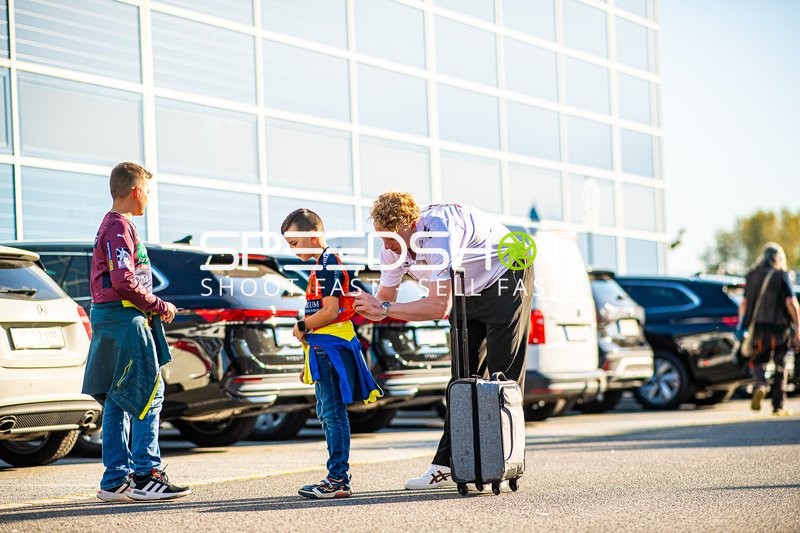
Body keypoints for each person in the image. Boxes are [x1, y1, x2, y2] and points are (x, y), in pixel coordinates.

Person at [351, 192, 533, 490]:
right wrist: (354, 307)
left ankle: (497, 463)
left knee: (503, 374)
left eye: (393, 238)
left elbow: (438, 307)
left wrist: (382, 309)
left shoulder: (439, 231)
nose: (387, 247)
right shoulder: (390, 251)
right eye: (382, 238)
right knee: (461, 379)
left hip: (507, 270)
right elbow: (382, 303)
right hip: (466, 285)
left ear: (413, 223)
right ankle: (447, 466)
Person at [83, 162, 190, 502]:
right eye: (148, 191)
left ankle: (114, 480)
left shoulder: (114, 225)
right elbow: (123, 280)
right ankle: (145, 475)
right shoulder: (118, 227)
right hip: (123, 319)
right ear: (135, 191)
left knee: (117, 397)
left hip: (114, 316)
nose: (149, 198)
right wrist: (160, 306)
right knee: (149, 392)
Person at [282, 208, 382, 499]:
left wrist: (301, 325)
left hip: (330, 348)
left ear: (312, 236)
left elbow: (330, 311)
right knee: (328, 413)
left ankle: (338, 479)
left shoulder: (329, 264)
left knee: (333, 413)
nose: (292, 250)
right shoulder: (324, 263)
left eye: (294, 243)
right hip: (322, 348)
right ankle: (337, 477)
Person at [739, 242, 800, 416]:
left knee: (758, 359)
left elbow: (743, 304)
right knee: (780, 364)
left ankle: (760, 385)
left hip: (757, 328)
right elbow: (790, 302)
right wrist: (798, 326)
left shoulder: (751, 275)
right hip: (779, 328)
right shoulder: (781, 274)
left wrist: (742, 325)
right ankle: (778, 405)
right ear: (779, 258)